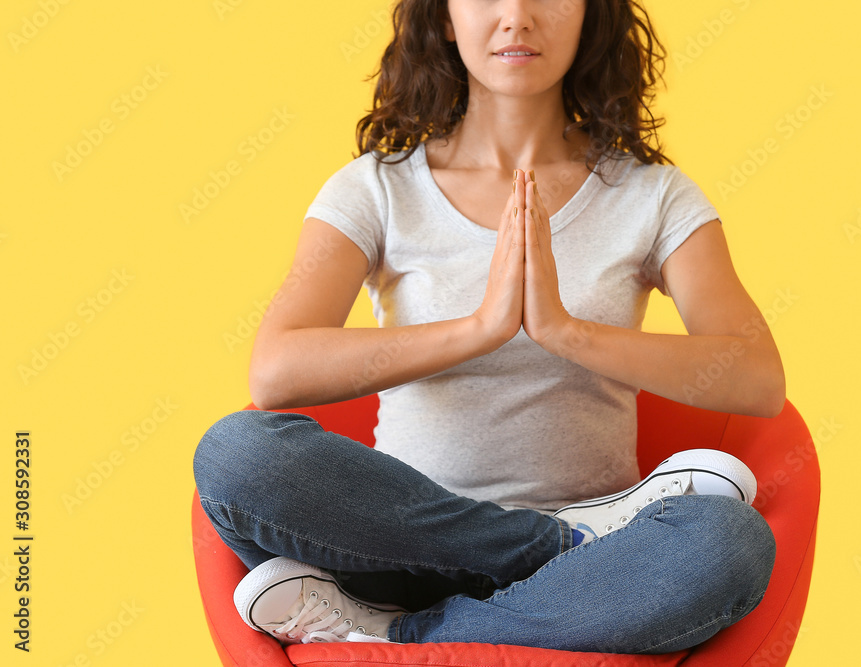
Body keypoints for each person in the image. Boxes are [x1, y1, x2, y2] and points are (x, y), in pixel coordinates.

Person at [193, 0, 784, 655]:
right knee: (235, 454)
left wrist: (564, 330)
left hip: (595, 572)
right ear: (444, 17)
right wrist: (482, 327)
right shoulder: (375, 189)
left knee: (728, 541)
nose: (517, 16)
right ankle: (556, 543)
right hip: (394, 544)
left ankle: (395, 634)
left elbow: (757, 379)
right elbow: (276, 370)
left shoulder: (651, 194)